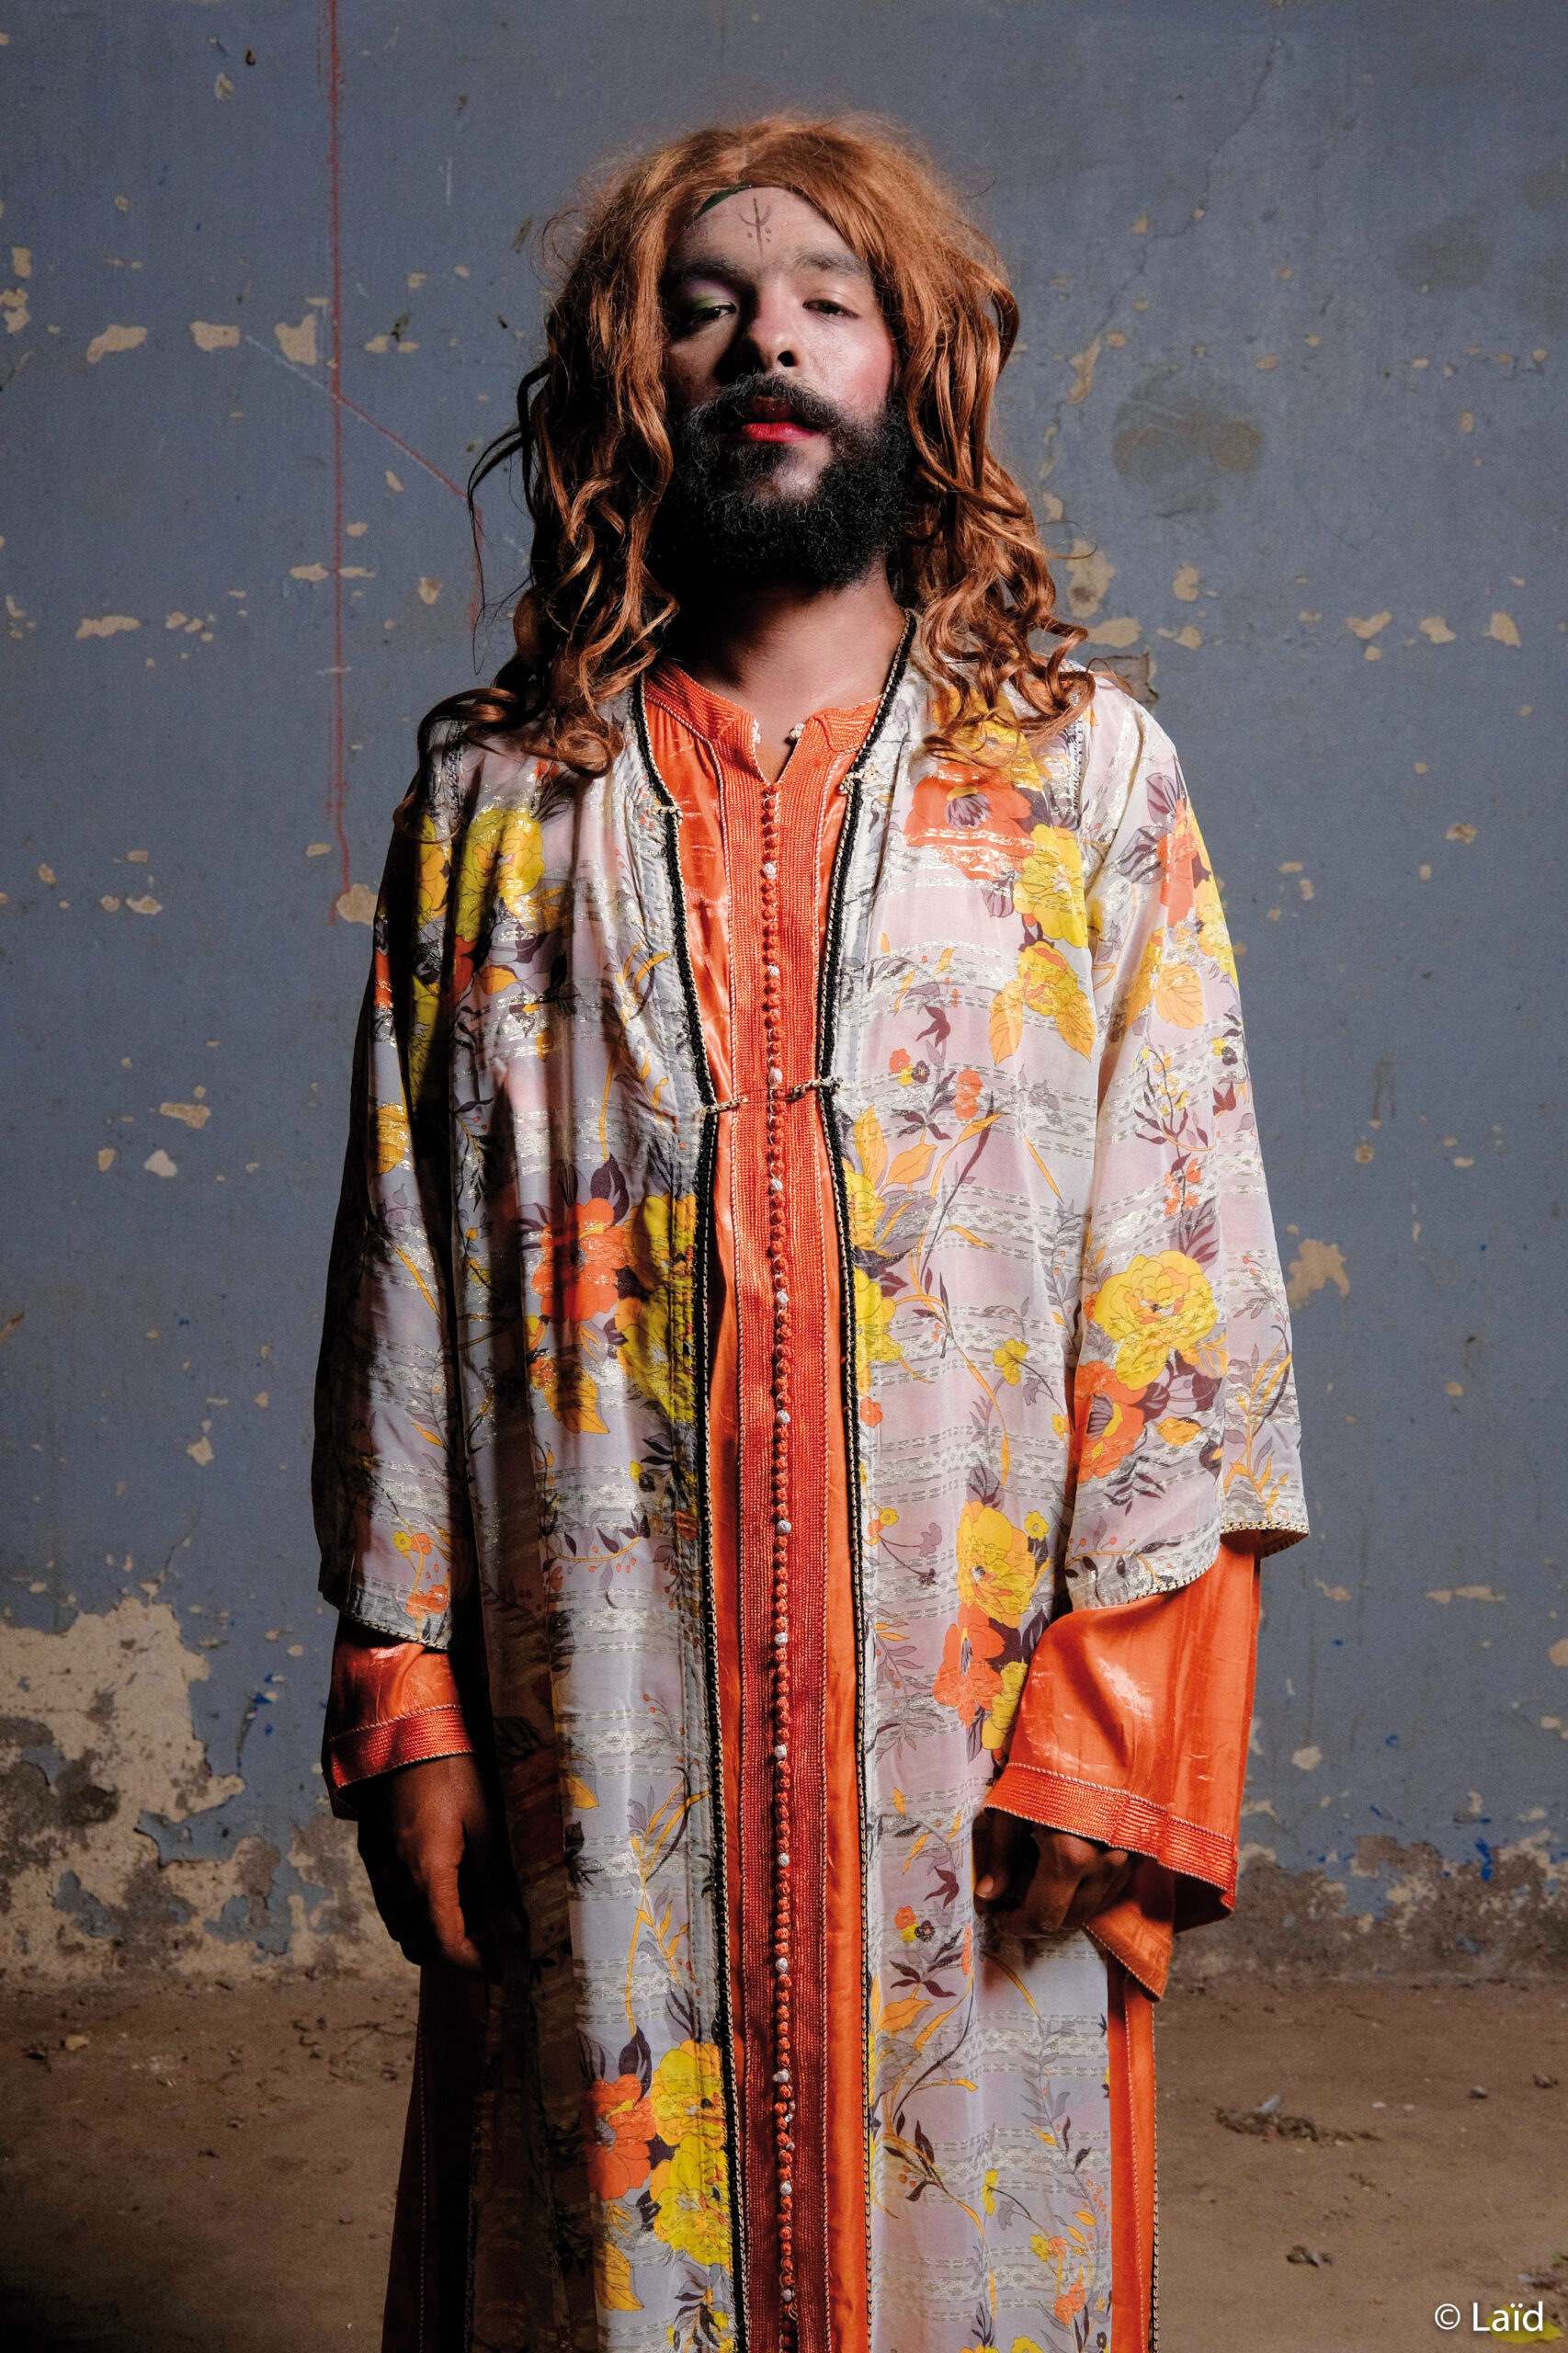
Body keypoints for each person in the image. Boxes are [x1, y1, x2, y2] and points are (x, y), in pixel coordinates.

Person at [312, 112, 1307, 2353]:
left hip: (976, 1743)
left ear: (913, 364)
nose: (764, 340)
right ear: (635, 378)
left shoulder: (1084, 785)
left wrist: (1119, 1715)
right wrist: (408, 1692)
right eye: (706, 305)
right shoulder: (497, 809)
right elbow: (404, 1274)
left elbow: (1184, 1268)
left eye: (824, 303)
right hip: (595, 1723)